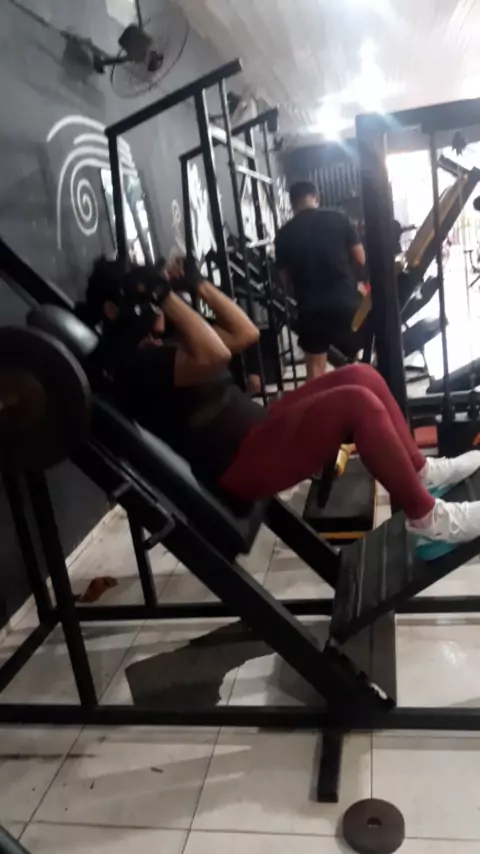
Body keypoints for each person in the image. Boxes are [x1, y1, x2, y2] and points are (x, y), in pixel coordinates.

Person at [77, 255, 480, 553]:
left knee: (361, 375)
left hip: (258, 428)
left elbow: (246, 333)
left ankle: (420, 472)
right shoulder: (132, 364)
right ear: (113, 310)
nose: (154, 307)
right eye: (143, 298)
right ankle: (427, 520)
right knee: (357, 404)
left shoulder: (154, 346)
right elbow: (216, 354)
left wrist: (197, 285)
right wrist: (164, 296)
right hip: (241, 463)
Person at [275, 181, 366, 380]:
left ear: (292, 203)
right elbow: (361, 259)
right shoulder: (339, 218)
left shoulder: (283, 234)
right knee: (359, 362)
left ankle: (320, 400)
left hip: (311, 310)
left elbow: (283, 280)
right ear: (317, 198)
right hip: (347, 305)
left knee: (315, 371)